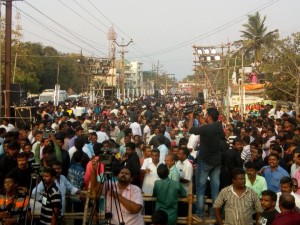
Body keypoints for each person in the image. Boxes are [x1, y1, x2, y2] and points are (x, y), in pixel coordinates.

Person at [188, 107, 224, 220]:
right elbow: (207, 125)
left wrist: (191, 118)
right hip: (217, 161)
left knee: (200, 187)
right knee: (215, 189)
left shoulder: (206, 129)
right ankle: (214, 214)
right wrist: (200, 118)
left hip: (205, 161)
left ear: (209, 116)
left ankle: (200, 214)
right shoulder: (219, 126)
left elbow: (190, 129)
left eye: (206, 115)